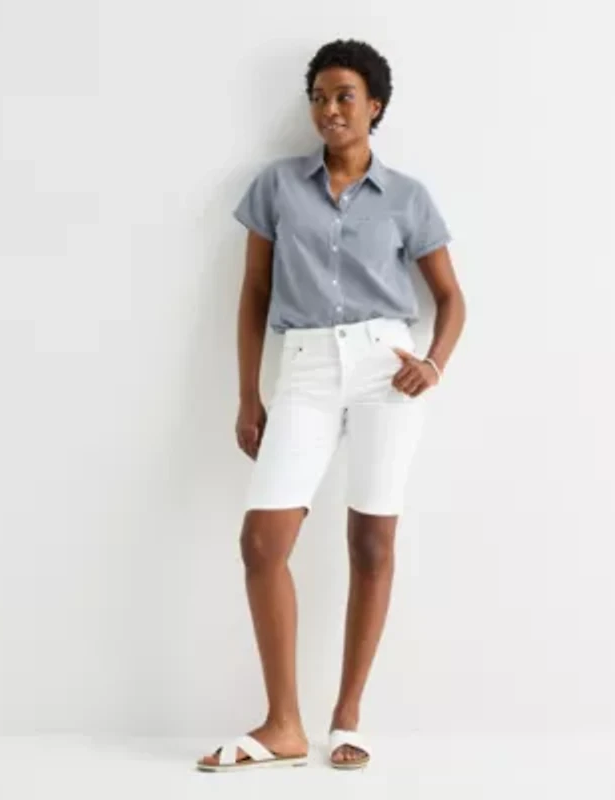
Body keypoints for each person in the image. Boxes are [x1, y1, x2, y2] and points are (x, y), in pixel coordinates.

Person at [197, 38, 466, 773]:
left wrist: (433, 364)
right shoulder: (277, 187)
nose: (329, 109)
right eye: (319, 97)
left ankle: (348, 717)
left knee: (372, 543)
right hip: (307, 369)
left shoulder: (408, 197)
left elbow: (451, 298)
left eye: (345, 96)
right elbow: (254, 293)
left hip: (387, 370)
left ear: (375, 106)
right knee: (262, 543)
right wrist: (248, 393)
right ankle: (284, 724)